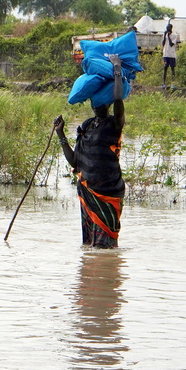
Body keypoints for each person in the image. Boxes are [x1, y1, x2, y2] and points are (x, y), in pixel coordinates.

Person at [54, 53, 125, 249]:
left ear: (108, 104)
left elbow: (118, 98)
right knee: (89, 247)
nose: (97, 106)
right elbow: (75, 161)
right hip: (87, 191)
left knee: (105, 247)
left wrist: (117, 69)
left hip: (108, 192)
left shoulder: (114, 124)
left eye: (101, 102)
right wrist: (60, 134)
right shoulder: (87, 125)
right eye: (94, 102)